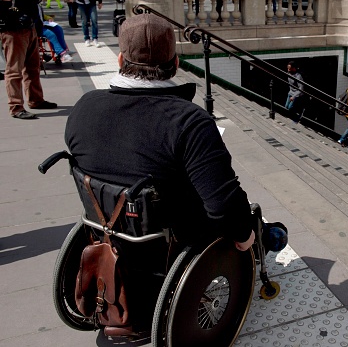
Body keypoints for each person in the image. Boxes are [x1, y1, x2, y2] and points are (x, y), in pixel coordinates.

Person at [64, 13, 256, 252]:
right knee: (256, 223)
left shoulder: (84, 106)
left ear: (121, 60)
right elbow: (223, 206)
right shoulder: (190, 122)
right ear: (175, 64)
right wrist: (246, 235)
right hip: (171, 243)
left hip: (106, 231)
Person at [0, 0, 57, 119]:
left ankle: (35, 99)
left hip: (29, 25)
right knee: (14, 69)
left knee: (33, 67)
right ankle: (16, 106)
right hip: (11, 28)